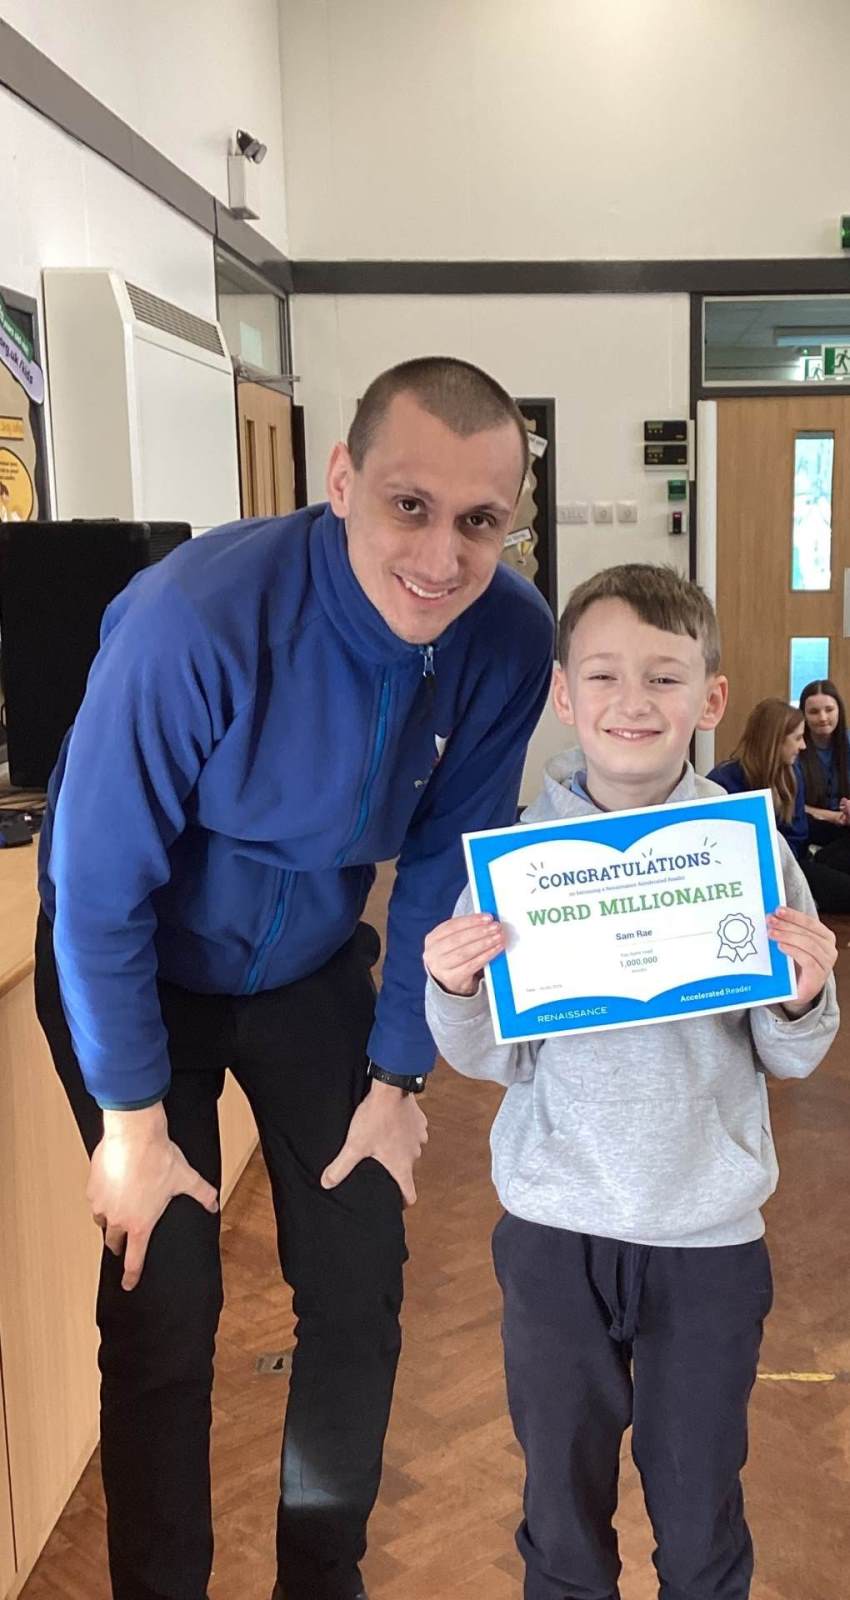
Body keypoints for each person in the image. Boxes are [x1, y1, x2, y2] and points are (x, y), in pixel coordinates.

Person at [33, 356, 556, 1600]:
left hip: (310, 965)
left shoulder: (508, 637)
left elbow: (446, 863)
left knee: (359, 1274)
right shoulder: (196, 619)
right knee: (164, 1293)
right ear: (341, 480)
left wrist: (398, 1075)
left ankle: (321, 1580)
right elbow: (97, 891)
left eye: (479, 521)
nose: (442, 555)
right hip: (141, 966)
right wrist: (132, 1122)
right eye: (410, 505)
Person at [424, 564, 838, 1600]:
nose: (632, 700)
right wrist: (454, 987)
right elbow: (492, 1057)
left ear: (710, 697)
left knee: (700, 1526)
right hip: (554, 1232)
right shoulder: (516, 862)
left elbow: (790, 1055)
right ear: (565, 695)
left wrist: (802, 997)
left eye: (664, 676)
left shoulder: (748, 853)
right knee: (561, 1528)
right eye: (603, 674)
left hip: (707, 1241)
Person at [709, 697, 850, 915]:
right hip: (777, 868)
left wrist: (840, 824)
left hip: (802, 855)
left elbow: (799, 826)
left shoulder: (791, 772)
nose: (803, 746)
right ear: (776, 741)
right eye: (798, 738)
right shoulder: (724, 782)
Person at [798, 678, 850, 846]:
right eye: (814, 712)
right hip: (810, 827)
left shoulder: (848, 742)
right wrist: (834, 817)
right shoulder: (795, 748)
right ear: (803, 715)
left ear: (839, 710)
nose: (823, 718)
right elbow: (789, 805)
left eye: (829, 710)